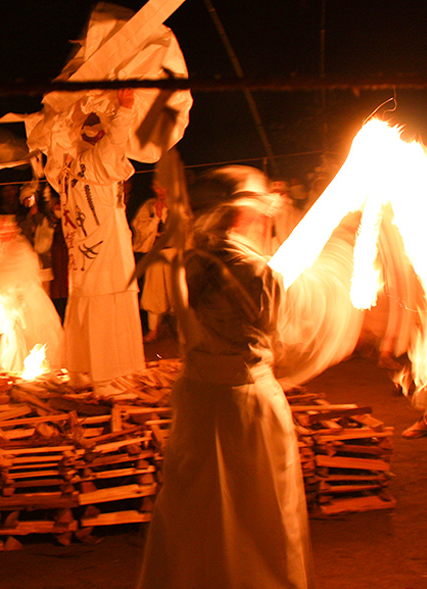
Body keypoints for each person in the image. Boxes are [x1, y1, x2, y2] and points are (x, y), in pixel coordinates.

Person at [139, 167, 314, 588]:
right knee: (260, 510)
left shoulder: (186, 263)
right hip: (246, 403)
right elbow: (283, 342)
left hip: (198, 398)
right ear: (241, 215)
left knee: (194, 506)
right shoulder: (260, 272)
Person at [53, 88, 145, 391]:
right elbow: (117, 139)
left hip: (85, 254)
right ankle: (105, 378)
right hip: (105, 252)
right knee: (105, 307)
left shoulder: (66, 168)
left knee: (85, 306)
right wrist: (126, 107)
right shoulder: (93, 163)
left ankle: (81, 371)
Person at [0, 215, 63, 373]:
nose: (4, 232)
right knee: (13, 337)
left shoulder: (21, 246)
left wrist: (11, 287)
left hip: (28, 299)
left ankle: (45, 369)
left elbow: (28, 269)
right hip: (6, 302)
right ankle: (14, 372)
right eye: (0, 229)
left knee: (37, 331)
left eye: (7, 228)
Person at [132, 182, 174, 342]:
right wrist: (156, 218)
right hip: (156, 256)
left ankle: (179, 331)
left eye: (163, 186)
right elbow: (140, 230)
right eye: (157, 187)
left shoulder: (179, 205)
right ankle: (153, 330)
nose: (160, 190)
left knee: (176, 294)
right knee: (154, 294)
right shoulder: (149, 206)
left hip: (175, 255)